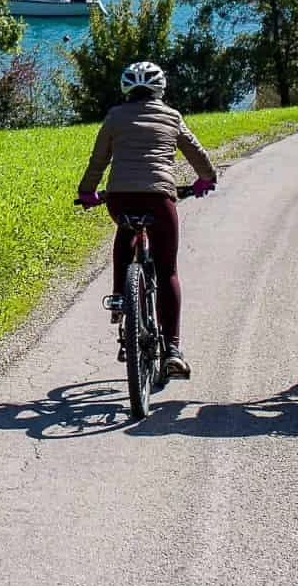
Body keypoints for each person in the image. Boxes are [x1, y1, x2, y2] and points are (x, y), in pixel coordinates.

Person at [74, 60, 218, 379]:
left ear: (127, 89)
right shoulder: (172, 116)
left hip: (120, 198)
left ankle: (119, 297)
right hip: (159, 199)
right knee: (167, 271)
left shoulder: (115, 117)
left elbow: (98, 160)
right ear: (160, 89)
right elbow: (197, 154)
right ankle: (173, 351)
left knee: (126, 231)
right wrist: (207, 178)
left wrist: (87, 193)